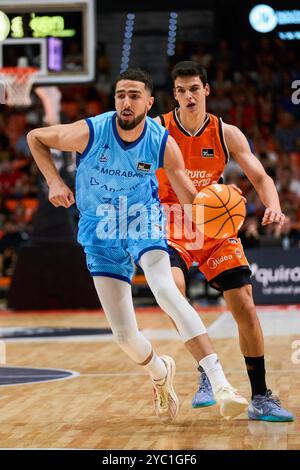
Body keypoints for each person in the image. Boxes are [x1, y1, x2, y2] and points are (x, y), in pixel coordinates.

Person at [27, 68, 248, 424]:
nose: (126, 103)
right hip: (99, 230)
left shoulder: (162, 142)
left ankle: (222, 383)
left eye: (134, 96)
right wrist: (53, 181)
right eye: (120, 95)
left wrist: (219, 209)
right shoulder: (91, 131)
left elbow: (190, 199)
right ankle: (161, 373)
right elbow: (35, 136)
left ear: (148, 102)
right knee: (126, 338)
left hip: (141, 221)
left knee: (166, 290)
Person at [156, 61, 294, 422]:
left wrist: (274, 206)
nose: (188, 96)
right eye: (181, 90)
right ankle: (207, 371)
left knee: (245, 306)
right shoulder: (157, 130)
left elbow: (261, 177)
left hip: (216, 225)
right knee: (172, 289)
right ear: (174, 95)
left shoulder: (225, 132)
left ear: (206, 91)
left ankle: (261, 396)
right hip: (172, 223)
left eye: (194, 89)